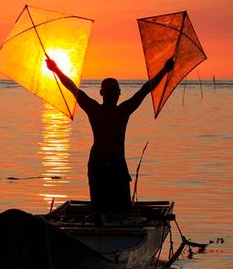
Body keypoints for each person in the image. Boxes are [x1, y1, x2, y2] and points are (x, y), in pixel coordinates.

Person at [46, 56, 175, 217]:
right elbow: (145, 89)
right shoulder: (111, 110)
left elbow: (145, 89)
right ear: (103, 93)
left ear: (117, 93)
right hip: (100, 165)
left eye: (113, 91)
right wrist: (56, 70)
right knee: (102, 211)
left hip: (114, 165)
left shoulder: (112, 110)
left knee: (120, 211)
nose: (112, 94)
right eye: (110, 91)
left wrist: (56, 69)